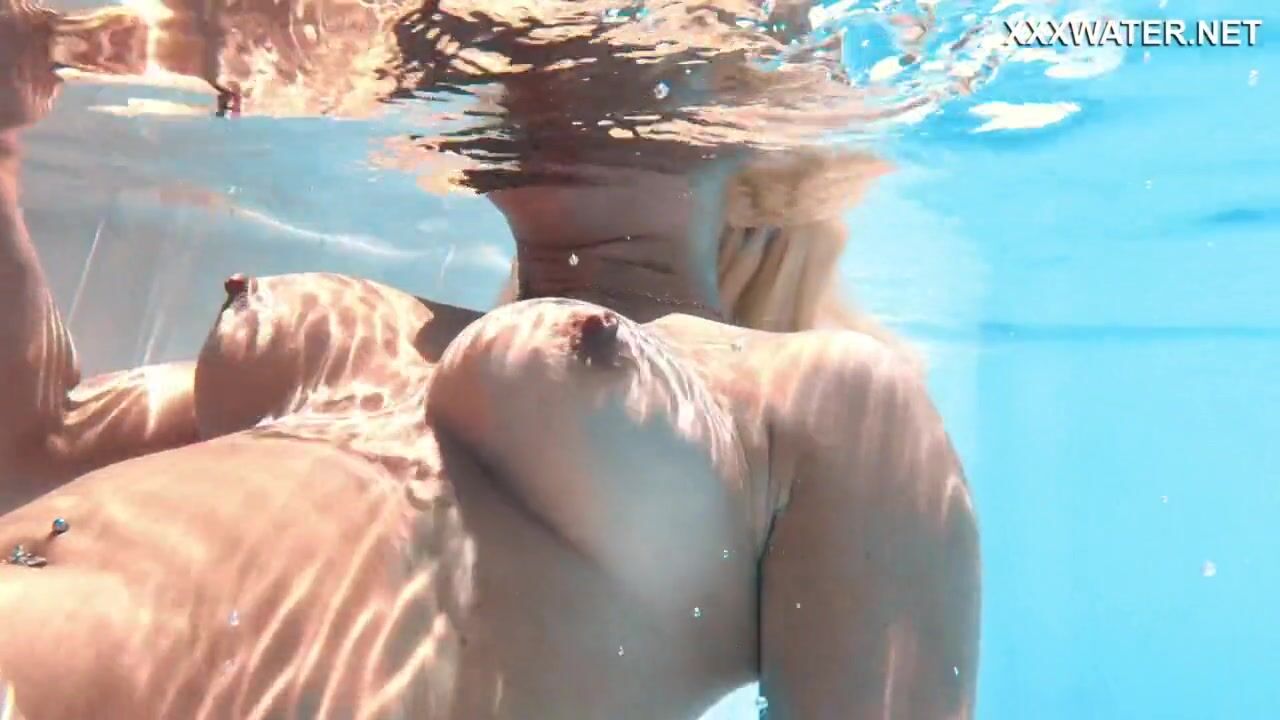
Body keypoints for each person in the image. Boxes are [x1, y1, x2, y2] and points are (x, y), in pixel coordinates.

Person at [0, 1, 980, 718]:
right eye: (513, 33)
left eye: (623, 33)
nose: (556, 58)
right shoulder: (390, 333)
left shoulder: (825, 402)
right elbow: (40, 441)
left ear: (757, 90)